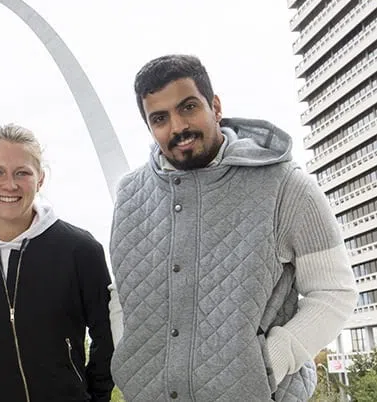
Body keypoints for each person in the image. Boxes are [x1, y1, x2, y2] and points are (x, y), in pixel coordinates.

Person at [108, 54, 358, 401]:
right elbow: (124, 292)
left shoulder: (285, 185)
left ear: (215, 106)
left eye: (188, 107)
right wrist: (134, 362)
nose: (177, 127)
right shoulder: (129, 194)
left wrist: (272, 361)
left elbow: (335, 292)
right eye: (160, 118)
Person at [0, 124, 114, 402]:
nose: (10, 184)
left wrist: (96, 396)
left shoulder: (80, 250)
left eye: (22, 173)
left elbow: (106, 336)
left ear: (40, 179)